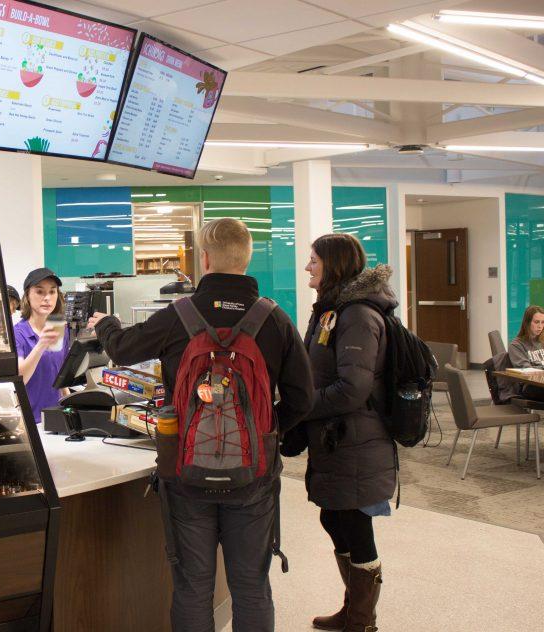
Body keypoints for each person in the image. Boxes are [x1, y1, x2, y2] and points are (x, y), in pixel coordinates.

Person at [87, 218, 314, 632]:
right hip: (254, 474)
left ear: (204, 259)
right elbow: (304, 397)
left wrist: (103, 324)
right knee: (251, 584)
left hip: (186, 471)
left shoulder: (179, 314)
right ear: (246, 259)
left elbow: (121, 348)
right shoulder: (275, 318)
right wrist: (267, 431)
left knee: (193, 587)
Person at [299, 233, 396, 632]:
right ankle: (354, 608)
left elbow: (353, 389)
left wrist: (302, 406)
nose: (308, 267)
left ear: (333, 265)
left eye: (314, 261)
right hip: (337, 438)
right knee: (334, 519)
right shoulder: (332, 310)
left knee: (354, 525)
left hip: (357, 439)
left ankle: (362, 620)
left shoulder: (356, 314)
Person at [15, 268, 69, 424]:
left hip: (57, 417)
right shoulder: (18, 333)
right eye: (40, 292)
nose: (47, 298)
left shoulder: (60, 328)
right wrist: (41, 345)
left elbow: (61, 376)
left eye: (52, 292)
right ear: (27, 296)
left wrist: (69, 403)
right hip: (31, 419)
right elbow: (20, 379)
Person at [508, 305, 544, 405]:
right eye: (536, 322)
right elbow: (527, 370)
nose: (540, 326)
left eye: (543, 322)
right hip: (532, 386)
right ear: (527, 322)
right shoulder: (516, 345)